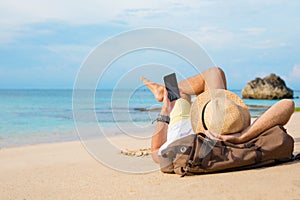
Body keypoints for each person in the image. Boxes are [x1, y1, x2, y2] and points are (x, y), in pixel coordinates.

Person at [141, 67, 295, 163]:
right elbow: (288, 104)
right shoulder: (241, 139)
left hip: (194, 129)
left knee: (184, 95)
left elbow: (155, 151)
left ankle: (164, 91)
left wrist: (165, 110)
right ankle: (165, 90)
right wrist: (241, 136)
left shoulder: (184, 148)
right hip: (225, 131)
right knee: (217, 73)